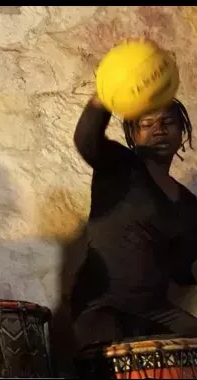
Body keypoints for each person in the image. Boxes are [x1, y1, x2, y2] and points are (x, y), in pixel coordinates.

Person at [70, 94, 197, 359]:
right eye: (146, 123)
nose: (158, 129)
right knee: (105, 353)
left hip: (155, 309)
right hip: (101, 305)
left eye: (168, 122)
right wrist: (106, 92)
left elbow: (182, 271)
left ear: (182, 130)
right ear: (132, 134)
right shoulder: (118, 165)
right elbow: (87, 140)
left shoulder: (188, 203)